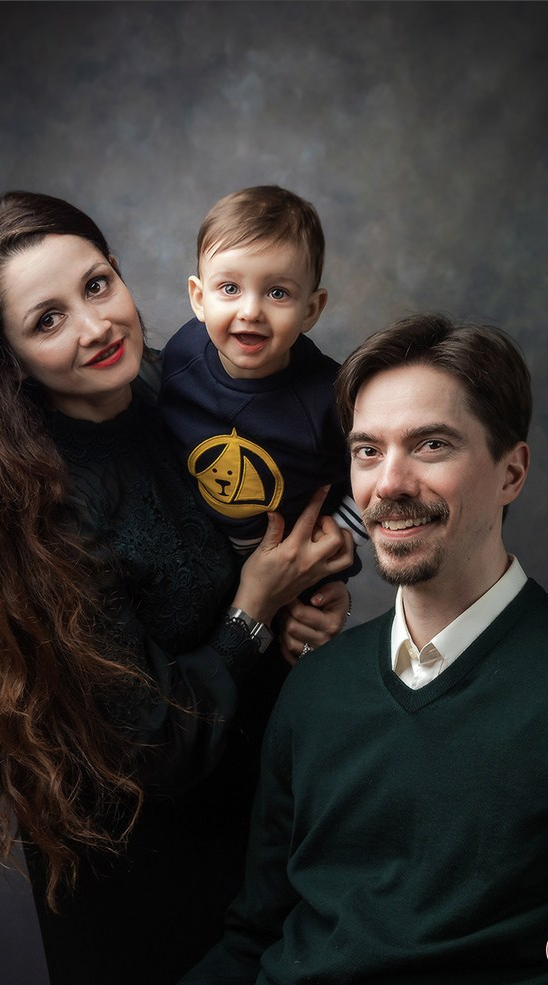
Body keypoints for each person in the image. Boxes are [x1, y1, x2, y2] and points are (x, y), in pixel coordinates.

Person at [0, 191, 355, 985]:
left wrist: (305, 600)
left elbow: (266, 527)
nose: (97, 326)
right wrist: (254, 606)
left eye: (98, 285)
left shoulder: (179, 390)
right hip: (147, 882)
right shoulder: (34, 506)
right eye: (47, 320)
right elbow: (152, 745)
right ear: (6, 358)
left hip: (258, 828)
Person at [171, 313, 548, 985]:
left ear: (512, 472)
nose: (388, 484)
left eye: (431, 445)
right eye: (367, 451)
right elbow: (255, 938)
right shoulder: (314, 687)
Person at [158, 187, 367, 663]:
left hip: (296, 576)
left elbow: (376, 475)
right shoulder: (180, 358)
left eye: (277, 292)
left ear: (311, 310)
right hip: (201, 567)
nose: (250, 310)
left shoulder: (330, 399)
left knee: (287, 671)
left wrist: (339, 540)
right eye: (229, 288)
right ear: (198, 297)